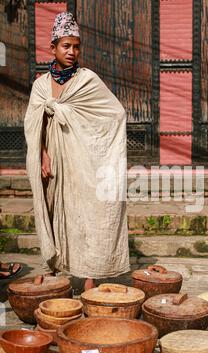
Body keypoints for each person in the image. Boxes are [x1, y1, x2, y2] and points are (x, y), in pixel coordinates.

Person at [24, 12, 130, 291]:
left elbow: (115, 114)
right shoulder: (40, 87)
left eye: (76, 46)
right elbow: (36, 128)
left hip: (83, 162)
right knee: (56, 214)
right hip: (53, 163)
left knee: (87, 214)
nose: (72, 52)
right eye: (65, 46)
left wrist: (96, 150)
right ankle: (58, 270)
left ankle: (90, 276)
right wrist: (43, 156)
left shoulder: (87, 81)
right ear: (53, 48)